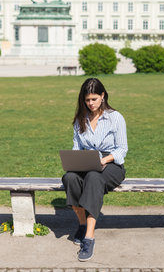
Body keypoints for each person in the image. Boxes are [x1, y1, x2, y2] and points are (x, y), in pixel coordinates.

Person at [62, 78, 128, 262]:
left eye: (94, 99)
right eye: (87, 100)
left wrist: (104, 160)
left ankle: (89, 237)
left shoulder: (115, 117)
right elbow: (77, 148)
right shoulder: (80, 120)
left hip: (112, 164)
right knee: (69, 178)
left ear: (102, 96)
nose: (90, 103)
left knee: (93, 177)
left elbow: (122, 149)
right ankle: (82, 224)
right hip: (87, 161)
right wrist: (75, 162)